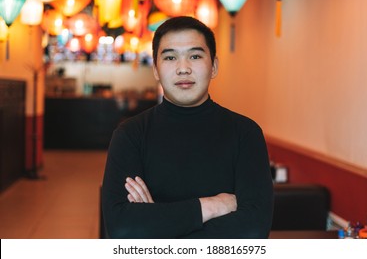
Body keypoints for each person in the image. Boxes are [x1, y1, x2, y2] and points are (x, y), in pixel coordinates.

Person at [101, 16, 274, 239]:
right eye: (170, 57)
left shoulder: (246, 134)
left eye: (195, 56)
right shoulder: (130, 135)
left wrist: (156, 222)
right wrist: (211, 206)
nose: (183, 68)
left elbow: (253, 229)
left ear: (214, 66)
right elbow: (122, 228)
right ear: (156, 69)